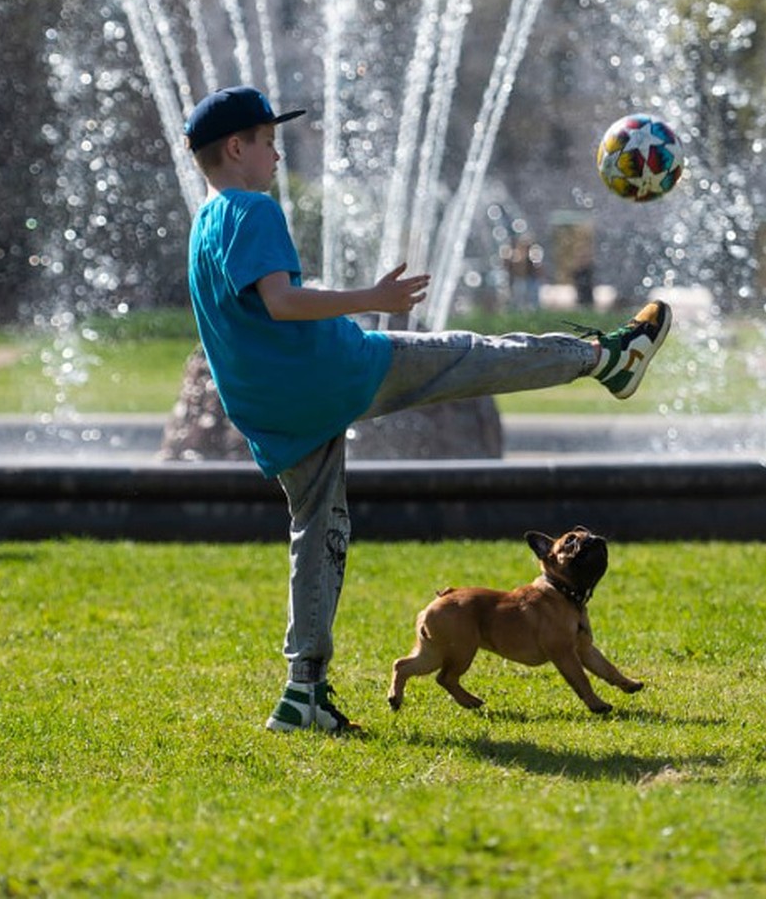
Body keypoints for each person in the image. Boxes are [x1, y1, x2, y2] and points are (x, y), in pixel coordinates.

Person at [184, 84, 673, 733]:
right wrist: (372, 295)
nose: (278, 153)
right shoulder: (252, 211)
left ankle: (303, 691)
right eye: (269, 142)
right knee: (474, 356)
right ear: (236, 147)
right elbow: (280, 302)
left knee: (319, 535)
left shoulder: (205, 224)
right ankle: (609, 359)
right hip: (338, 373)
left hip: (274, 411)